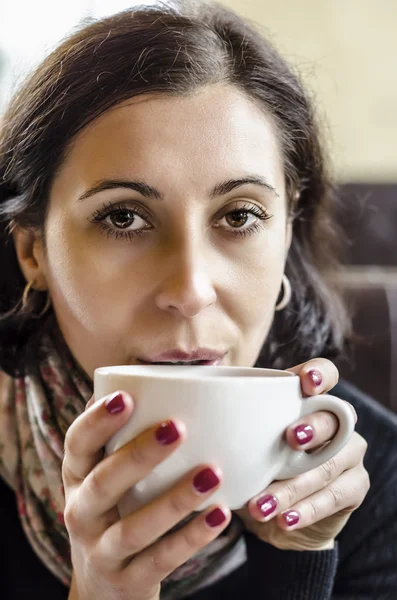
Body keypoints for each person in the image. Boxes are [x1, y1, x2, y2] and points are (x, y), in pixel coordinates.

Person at [0, 2, 396, 599]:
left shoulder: (377, 478)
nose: (189, 290)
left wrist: (300, 559)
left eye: (239, 215)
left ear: (286, 232)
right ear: (34, 251)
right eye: (123, 216)